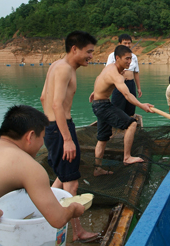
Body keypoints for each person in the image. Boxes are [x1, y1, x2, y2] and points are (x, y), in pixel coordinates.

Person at [40, 30, 100, 242]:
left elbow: (42, 97)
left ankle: (42, 216)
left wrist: (49, 127)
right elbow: (56, 104)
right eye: (88, 52)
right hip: (60, 127)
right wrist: (65, 138)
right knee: (72, 183)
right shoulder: (65, 69)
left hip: (52, 126)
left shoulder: (56, 65)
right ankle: (77, 232)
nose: (91, 57)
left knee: (61, 177)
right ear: (74, 49)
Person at [0, 105, 85, 228]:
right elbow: (58, 220)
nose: (43, 142)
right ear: (30, 136)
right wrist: (74, 208)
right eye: (42, 137)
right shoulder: (29, 167)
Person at [89, 45, 153, 170]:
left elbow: (99, 78)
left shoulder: (110, 68)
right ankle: (127, 157)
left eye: (131, 59)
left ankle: (97, 169)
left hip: (98, 105)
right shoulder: (116, 74)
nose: (129, 62)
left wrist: (95, 92)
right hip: (103, 106)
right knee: (132, 124)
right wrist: (142, 105)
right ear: (117, 58)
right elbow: (127, 94)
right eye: (127, 59)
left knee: (102, 139)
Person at [106, 34, 142, 117]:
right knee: (117, 107)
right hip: (118, 84)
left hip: (130, 84)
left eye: (129, 43)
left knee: (131, 107)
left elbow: (136, 72)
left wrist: (139, 88)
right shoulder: (112, 55)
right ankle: (118, 127)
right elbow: (107, 72)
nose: (127, 45)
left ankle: (129, 125)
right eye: (125, 43)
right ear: (119, 44)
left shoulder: (134, 57)